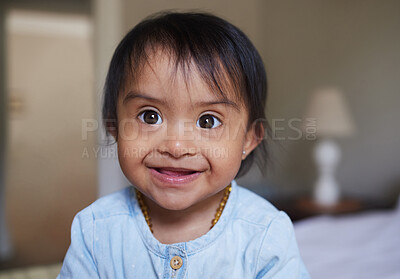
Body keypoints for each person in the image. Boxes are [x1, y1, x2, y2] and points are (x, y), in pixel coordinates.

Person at [58, 11, 310, 278]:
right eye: (150, 116)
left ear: (249, 139)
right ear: (114, 127)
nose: (176, 147)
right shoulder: (96, 229)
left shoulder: (264, 233)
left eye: (208, 121)